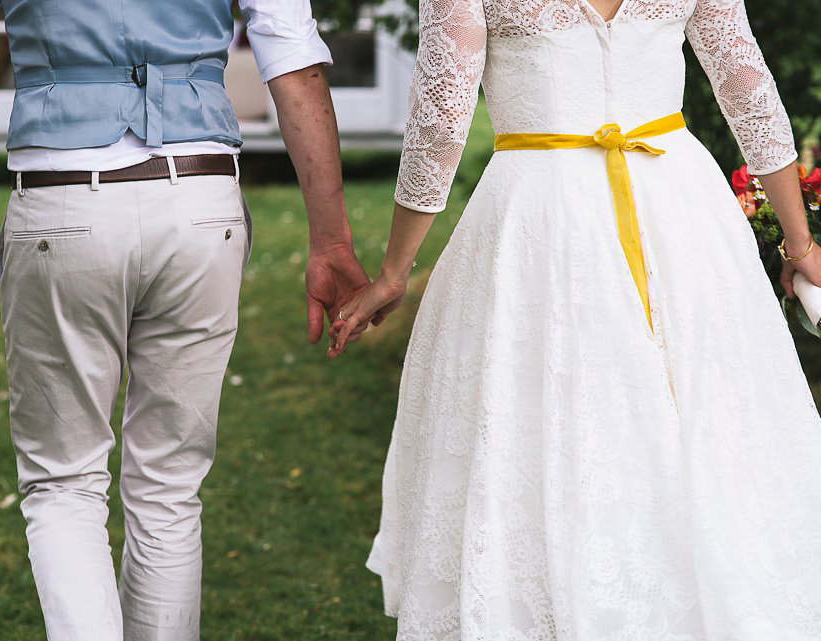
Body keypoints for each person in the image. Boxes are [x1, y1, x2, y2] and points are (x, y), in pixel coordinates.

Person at [332, 0, 821, 638]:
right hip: (679, 207)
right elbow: (745, 84)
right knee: (698, 422)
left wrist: (395, 270)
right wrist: (800, 242)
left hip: (541, 214)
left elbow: (443, 119)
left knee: (549, 428)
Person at [0, 1, 369, 639]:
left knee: (64, 483)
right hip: (201, 204)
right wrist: (331, 242)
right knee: (169, 488)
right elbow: (292, 57)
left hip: (62, 197)